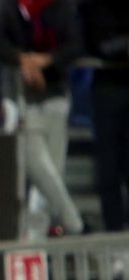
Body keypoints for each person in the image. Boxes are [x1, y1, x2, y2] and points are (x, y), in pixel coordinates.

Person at [0, 0, 84, 241]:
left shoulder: (62, 7)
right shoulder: (6, 7)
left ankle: (36, 241)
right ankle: (73, 222)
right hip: (18, 99)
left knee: (52, 171)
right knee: (35, 166)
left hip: (55, 96)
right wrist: (23, 60)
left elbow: (76, 44)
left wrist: (46, 60)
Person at [84, 0, 129, 233]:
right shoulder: (99, 6)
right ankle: (114, 231)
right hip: (108, 89)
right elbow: (100, 45)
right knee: (109, 168)